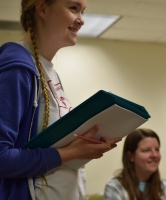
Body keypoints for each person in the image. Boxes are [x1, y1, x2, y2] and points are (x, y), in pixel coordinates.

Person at [0, 0, 121, 199]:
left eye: (82, 11)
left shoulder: (49, 72)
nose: (81, 20)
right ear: (42, 8)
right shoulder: (18, 67)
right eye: (73, 8)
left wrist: (87, 145)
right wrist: (70, 153)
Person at [103, 128, 166, 200]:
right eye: (146, 150)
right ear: (131, 156)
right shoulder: (115, 187)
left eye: (157, 149)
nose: (154, 155)